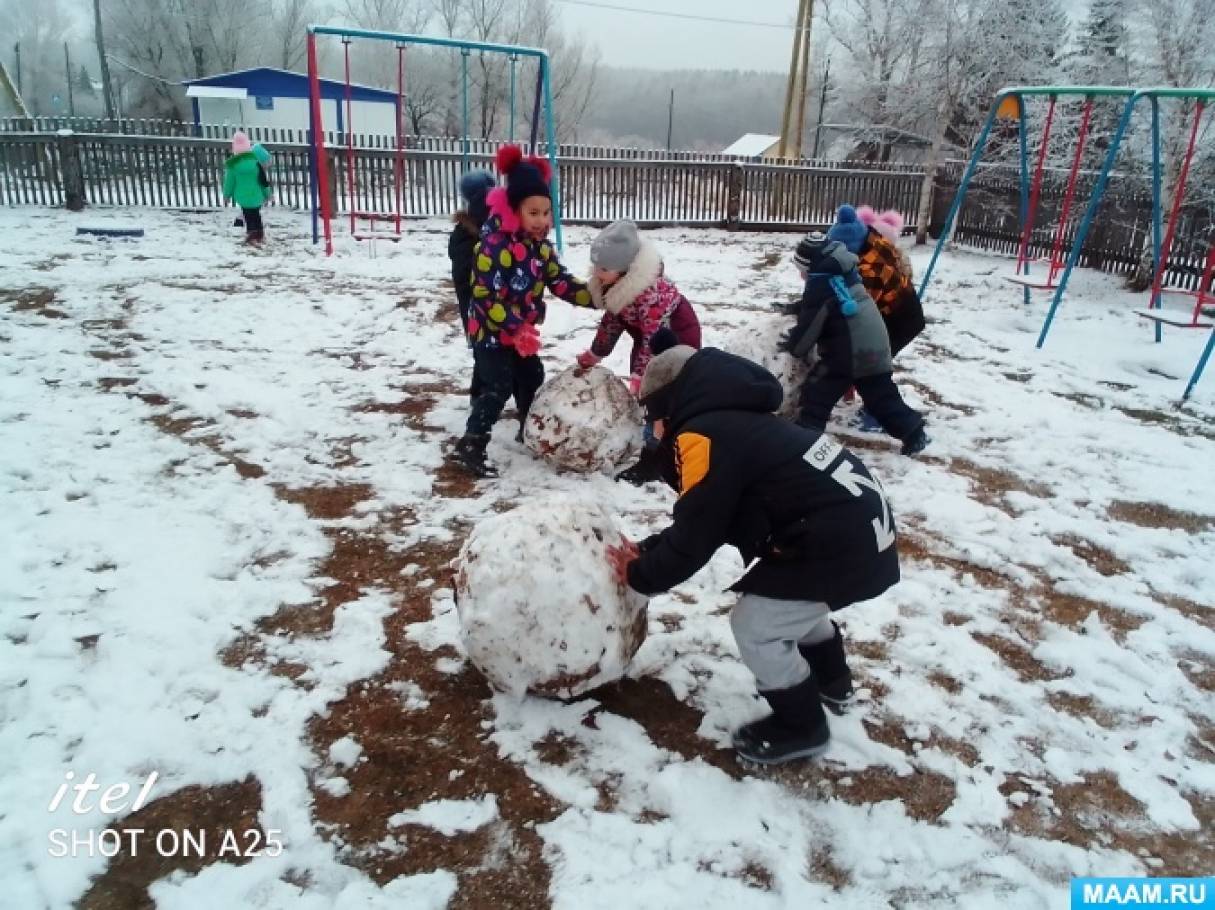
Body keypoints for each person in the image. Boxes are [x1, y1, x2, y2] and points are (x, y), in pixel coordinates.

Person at [607, 331, 900, 765]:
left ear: (668, 405)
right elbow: (717, 516)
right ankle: (831, 681)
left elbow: (698, 534)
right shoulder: (740, 420)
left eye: (651, 416)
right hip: (859, 535)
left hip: (839, 542)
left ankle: (802, 726)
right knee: (792, 603)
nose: (652, 429)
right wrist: (650, 548)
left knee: (757, 623)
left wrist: (640, 575)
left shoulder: (702, 435)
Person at [451, 144, 595, 478]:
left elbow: (560, 282)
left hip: (521, 335)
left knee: (532, 377)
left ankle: (529, 430)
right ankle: (471, 444)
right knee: (498, 386)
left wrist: (598, 297)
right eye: (533, 213)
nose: (541, 220)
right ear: (514, 209)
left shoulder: (540, 248)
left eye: (546, 212)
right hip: (490, 332)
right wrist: (515, 327)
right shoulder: (492, 245)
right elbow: (484, 297)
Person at [575, 220, 702, 485]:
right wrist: (596, 353)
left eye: (603, 268)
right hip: (646, 342)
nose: (596, 273)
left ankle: (655, 459)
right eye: (595, 266)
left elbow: (653, 340)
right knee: (649, 394)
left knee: (661, 397)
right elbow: (612, 323)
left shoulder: (649, 294)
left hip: (675, 341)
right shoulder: (615, 284)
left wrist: (641, 376)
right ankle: (656, 434)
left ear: (624, 268)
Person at [782, 231, 929, 456]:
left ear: (809, 267)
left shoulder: (820, 285)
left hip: (848, 353)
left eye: (801, 270)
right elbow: (826, 304)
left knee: (818, 390)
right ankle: (913, 432)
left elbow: (811, 323)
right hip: (875, 345)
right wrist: (797, 307)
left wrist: (795, 346)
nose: (801, 276)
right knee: (881, 398)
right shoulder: (844, 275)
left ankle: (806, 436)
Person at [833, 205, 925, 357]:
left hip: (900, 320)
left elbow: (859, 309)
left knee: (872, 359)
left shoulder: (872, 271)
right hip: (892, 304)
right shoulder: (872, 238)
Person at [449, 169, 497, 403]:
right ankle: (481, 396)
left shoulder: (483, 233)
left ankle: (482, 391)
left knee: (489, 348)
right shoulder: (465, 237)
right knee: (482, 348)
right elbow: (465, 275)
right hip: (472, 303)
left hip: (489, 302)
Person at [222, 131, 271, 244]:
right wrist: (267, 194)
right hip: (256, 196)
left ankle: (252, 233)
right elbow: (262, 181)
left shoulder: (233, 166)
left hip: (242, 197)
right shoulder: (256, 163)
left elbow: (229, 183)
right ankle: (259, 233)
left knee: (248, 215)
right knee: (256, 214)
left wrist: (226, 195)